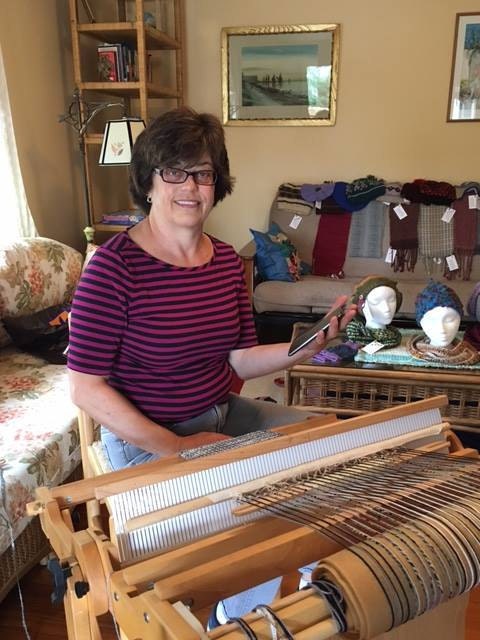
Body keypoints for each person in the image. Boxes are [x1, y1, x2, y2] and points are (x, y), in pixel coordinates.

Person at [67, 106, 356, 623]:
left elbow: (241, 359)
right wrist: (178, 448)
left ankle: (317, 587)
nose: (190, 186)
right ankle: (240, 622)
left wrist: (305, 347)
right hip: (146, 439)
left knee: (328, 439)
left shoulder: (225, 261)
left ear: (216, 183)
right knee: (257, 502)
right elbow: (86, 388)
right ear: (149, 182)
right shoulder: (112, 268)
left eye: (203, 173)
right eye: (174, 171)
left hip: (218, 414)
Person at [407, 280, 480, 365]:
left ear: (459, 320)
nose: (441, 329)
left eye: (449, 320)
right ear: (421, 323)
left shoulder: (471, 353)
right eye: (432, 321)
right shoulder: (411, 359)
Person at [346, 275, 402, 347]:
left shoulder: (396, 336)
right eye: (376, 301)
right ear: (364, 306)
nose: (387, 308)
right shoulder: (357, 336)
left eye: (391, 300)